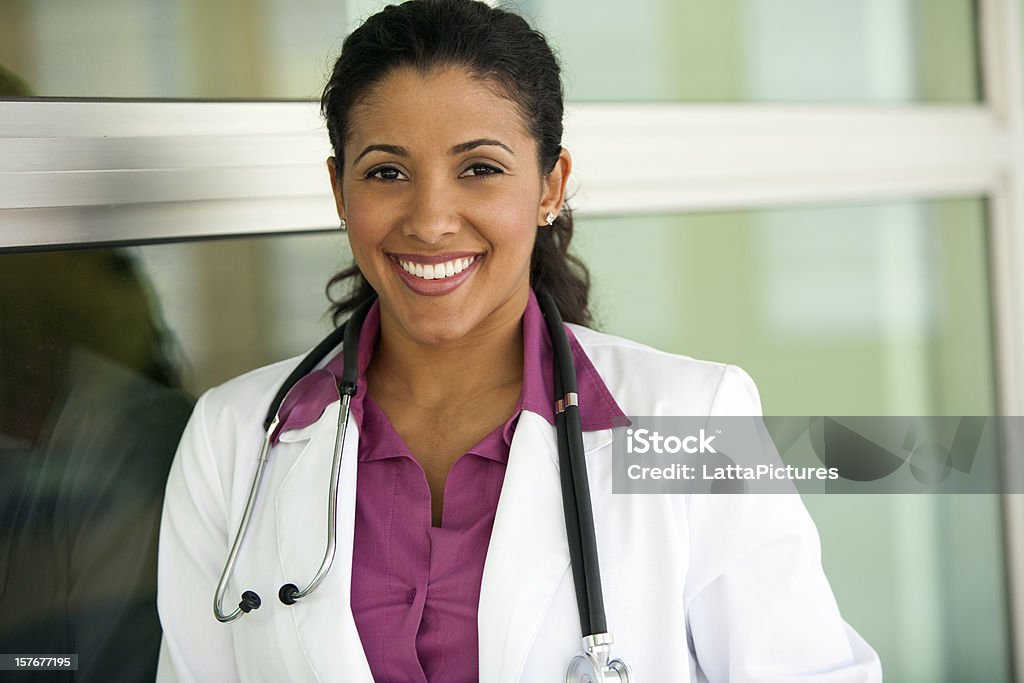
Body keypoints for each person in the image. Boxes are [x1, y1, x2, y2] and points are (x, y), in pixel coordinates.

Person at [156, 1, 883, 680]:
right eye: (387, 172)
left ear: (548, 187)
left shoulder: (693, 419)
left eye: (479, 169)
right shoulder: (233, 438)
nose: (431, 219)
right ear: (341, 191)